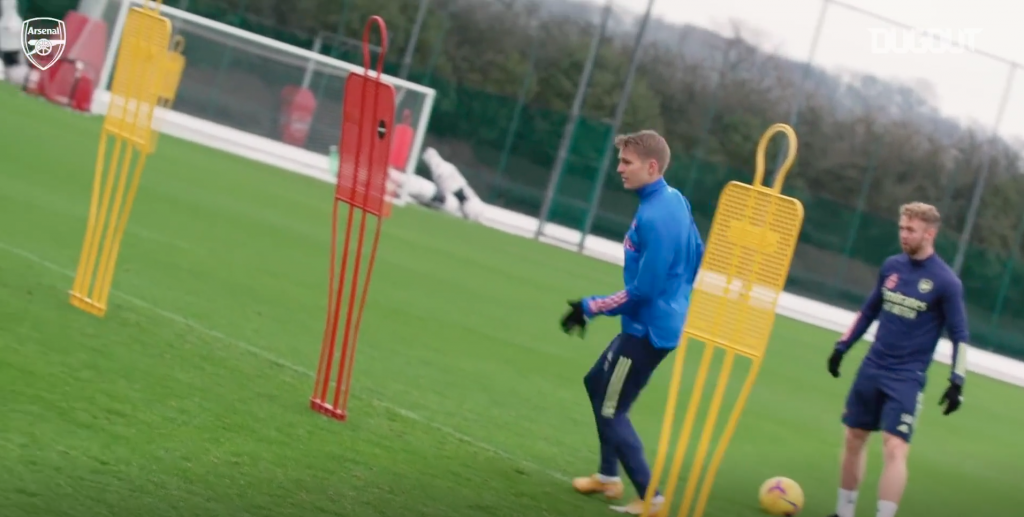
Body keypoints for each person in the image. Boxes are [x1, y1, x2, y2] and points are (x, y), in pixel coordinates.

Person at [560, 130, 704, 516]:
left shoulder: (657, 215)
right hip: (653, 322)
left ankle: (652, 498)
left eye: (627, 162)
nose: (619, 168)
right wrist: (680, 293)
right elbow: (697, 252)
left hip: (647, 331)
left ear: (651, 166)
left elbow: (644, 290)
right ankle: (608, 477)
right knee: (596, 384)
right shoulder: (673, 200)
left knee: (612, 408)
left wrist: (590, 306)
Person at [825, 202, 969, 517]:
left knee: (895, 446)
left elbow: (960, 335)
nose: (904, 235)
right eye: (902, 228)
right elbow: (869, 310)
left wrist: (957, 381)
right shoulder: (891, 266)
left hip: (906, 377)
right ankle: (843, 512)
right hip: (872, 367)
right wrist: (842, 346)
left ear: (929, 233)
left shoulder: (946, 282)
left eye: (911, 230)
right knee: (853, 437)